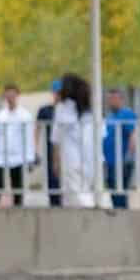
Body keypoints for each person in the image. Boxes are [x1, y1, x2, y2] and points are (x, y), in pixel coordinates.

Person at [51, 74, 99, 208]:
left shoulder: (62, 108)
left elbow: (56, 138)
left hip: (72, 160)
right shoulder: (91, 109)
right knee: (85, 191)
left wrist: (55, 160)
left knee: (75, 194)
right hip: (91, 158)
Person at [0, 83, 36, 207]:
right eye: (7, 93)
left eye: (12, 93)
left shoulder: (25, 115)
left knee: (17, 184)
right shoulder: (0, 116)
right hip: (1, 155)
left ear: (17, 95)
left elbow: (28, 137)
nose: (10, 96)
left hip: (17, 156)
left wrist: (29, 157)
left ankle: (18, 207)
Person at [102, 86, 138, 210]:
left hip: (122, 160)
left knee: (120, 192)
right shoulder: (110, 116)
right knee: (113, 190)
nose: (110, 101)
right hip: (111, 161)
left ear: (120, 99)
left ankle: (122, 217)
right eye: (109, 99)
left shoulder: (126, 113)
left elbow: (133, 135)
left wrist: (129, 157)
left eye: (113, 98)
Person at [36, 80, 62, 207]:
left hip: (66, 149)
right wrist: (35, 148)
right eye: (56, 92)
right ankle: (54, 203)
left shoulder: (68, 110)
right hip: (51, 148)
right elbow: (37, 129)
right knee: (52, 176)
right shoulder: (45, 110)